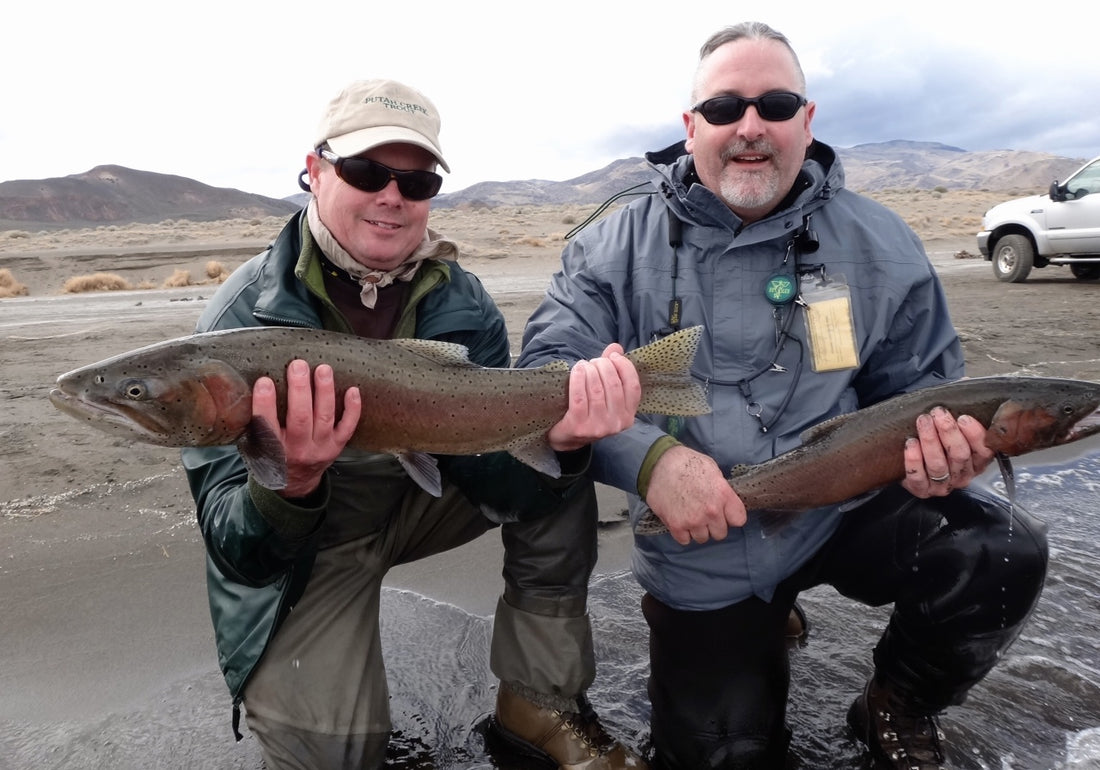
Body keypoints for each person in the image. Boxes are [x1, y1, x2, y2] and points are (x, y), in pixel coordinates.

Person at [516, 23, 1049, 770]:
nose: (750, 127)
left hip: (843, 508)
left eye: (774, 103)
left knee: (998, 552)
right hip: (705, 533)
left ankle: (895, 704)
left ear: (807, 118)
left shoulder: (881, 244)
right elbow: (547, 373)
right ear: (690, 126)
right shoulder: (612, 247)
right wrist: (651, 461)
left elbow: (922, 389)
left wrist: (944, 452)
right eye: (725, 108)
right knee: (726, 755)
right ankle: (748, 628)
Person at [182, 79, 647, 770]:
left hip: (422, 497)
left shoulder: (461, 300)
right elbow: (239, 553)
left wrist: (563, 442)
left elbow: (497, 483)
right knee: (332, 755)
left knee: (558, 484)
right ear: (314, 172)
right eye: (366, 172)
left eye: (417, 180)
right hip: (312, 546)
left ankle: (539, 699)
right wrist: (291, 484)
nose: (392, 196)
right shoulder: (240, 321)